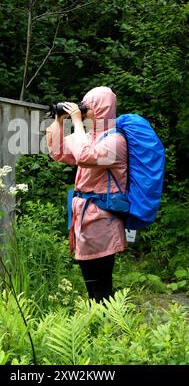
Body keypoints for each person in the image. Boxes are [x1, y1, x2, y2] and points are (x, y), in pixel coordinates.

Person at [46, 86, 128, 303]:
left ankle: (108, 327)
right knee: (90, 282)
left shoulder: (115, 141)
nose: (83, 110)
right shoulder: (89, 136)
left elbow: (84, 156)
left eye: (87, 107)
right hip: (84, 218)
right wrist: (59, 121)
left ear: (102, 109)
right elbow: (57, 152)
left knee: (101, 285)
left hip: (103, 219)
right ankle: (98, 326)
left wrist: (76, 122)